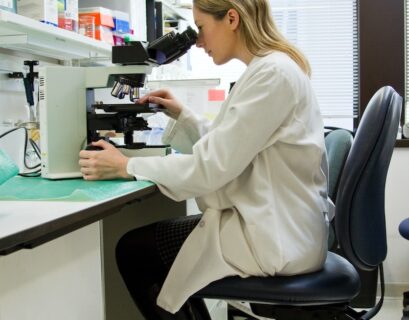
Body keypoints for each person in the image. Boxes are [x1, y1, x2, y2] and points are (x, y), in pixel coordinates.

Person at [78, 0, 330, 319]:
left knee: (134, 251)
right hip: (274, 222)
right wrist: (184, 116)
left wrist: (125, 165)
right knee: (146, 250)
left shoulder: (271, 74)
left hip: (273, 235)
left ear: (232, 19)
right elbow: (232, 144)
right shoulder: (270, 69)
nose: (197, 41)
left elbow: (210, 168)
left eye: (200, 28)